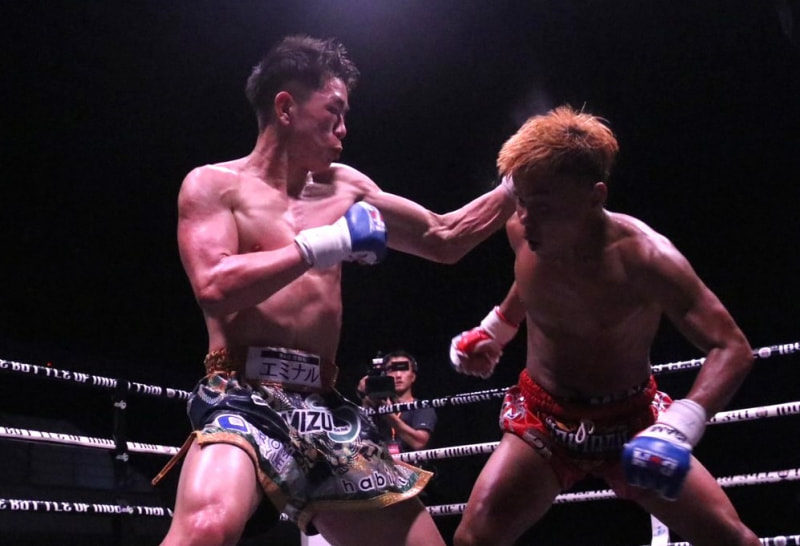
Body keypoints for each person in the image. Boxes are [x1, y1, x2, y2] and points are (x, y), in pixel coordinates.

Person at [155, 35, 516, 546]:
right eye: (334, 111)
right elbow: (214, 286)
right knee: (206, 527)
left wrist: (517, 185)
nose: (344, 129)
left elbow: (444, 237)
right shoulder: (213, 185)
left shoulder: (346, 187)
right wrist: (324, 244)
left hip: (322, 404)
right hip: (242, 393)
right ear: (286, 107)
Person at [448, 106, 760, 546]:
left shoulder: (645, 258)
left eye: (542, 207)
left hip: (631, 421)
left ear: (595, 197)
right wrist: (496, 328)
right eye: (521, 202)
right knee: (472, 541)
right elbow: (531, 281)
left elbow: (732, 348)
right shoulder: (524, 229)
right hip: (544, 416)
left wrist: (678, 428)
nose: (525, 219)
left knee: (734, 541)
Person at [358, 351, 438, 454]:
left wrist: (389, 415)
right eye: (392, 369)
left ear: (413, 376)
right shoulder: (374, 405)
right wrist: (363, 396)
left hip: (410, 464)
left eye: (403, 369)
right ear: (384, 375)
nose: (398, 375)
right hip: (379, 463)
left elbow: (419, 443)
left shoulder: (422, 407)